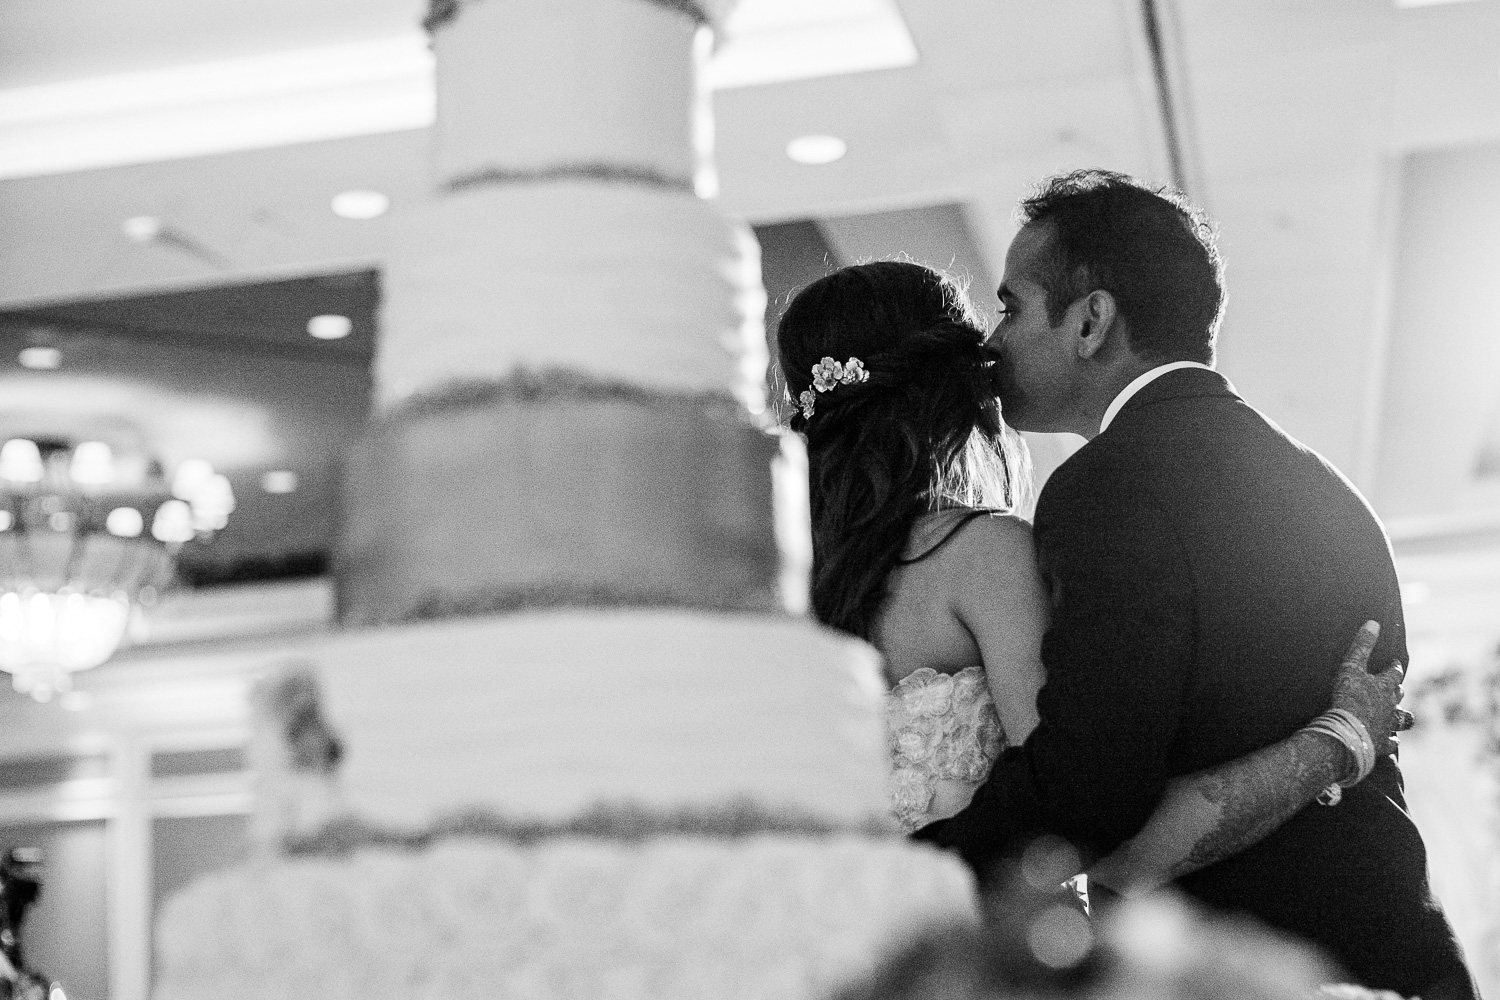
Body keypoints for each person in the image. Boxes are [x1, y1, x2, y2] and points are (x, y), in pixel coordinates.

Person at [787, 172, 1471, 998]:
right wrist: (1335, 743)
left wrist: (884, 882)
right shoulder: (1331, 492)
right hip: (1379, 947)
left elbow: (1090, 789)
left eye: (1010, 307)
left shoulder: (1105, 487)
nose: (992, 344)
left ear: (1091, 320)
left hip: (1249, 961)